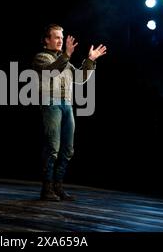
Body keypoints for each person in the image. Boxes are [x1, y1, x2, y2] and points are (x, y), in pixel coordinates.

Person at [33, 24, 107, 201]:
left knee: (68, 149)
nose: (60, 40)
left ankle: (58, 187)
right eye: (56, 37)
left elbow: (80, 78)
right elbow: (52, 71)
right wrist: (66, 55)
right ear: (46, 40)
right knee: (53, 148)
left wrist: (90, 60)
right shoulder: (41, 57)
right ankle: (47, 189)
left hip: (66, 105)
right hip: (51, 104)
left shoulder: (65, 61)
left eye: (61, 37)